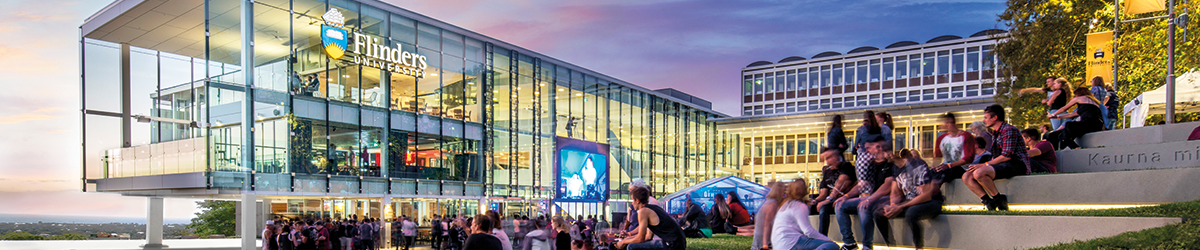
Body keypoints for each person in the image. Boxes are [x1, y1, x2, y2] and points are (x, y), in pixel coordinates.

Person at [964, 104, 1031, 211]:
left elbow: (1007, 156)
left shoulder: (1009, 130)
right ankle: (988, 201)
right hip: (1002, 164)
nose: (984, 120)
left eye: (986, 117)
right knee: (966, 176)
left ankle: (998, 199)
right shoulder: (996, 133)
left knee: (978, 173)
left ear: (995, 117)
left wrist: (984, 165)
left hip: (1016, 165)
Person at [834, 136, 895, 250]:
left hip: (886, 197)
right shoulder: (871, 164)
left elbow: (888, 185)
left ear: (878, 147)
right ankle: (849, 243)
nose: (866, 151)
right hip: (872, 197)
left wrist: (869, 199)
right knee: (840, 205)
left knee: (864, 207)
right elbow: (863, 184)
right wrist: (845, 196)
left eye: (868, 148)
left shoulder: (890, 163)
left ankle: (867, 246)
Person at [878, 149, 944, 250]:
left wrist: (901, 206)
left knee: (911, 213)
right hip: (910, 203)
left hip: (931, 202)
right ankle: (891, 246)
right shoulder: (896, 168)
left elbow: (926, 196)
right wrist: (893, 206)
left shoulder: (919, 165)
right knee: (878, 213)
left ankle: (919, 247)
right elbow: (895, 192)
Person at [773, 179, 838, 250]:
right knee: (832, 245)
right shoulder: (799, 205)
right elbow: (808, 231)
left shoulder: (785, 204)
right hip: (791, 243)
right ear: (804, 190)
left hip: (778, 244)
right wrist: (827, 239)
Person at [616, 186, 687, 250]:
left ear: (637, 200)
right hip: (678, 242)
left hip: (672, 245)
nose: (632, 204)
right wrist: (628, 235)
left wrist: (623, 242)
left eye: (633, 200)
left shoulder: (643, 211)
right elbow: (648, 236)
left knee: (631, 247)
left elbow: (641, 238)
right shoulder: (654, 208)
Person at [811, 147, 856, 236]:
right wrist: (816, 201)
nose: (828, 160)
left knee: (825, 207)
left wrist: (828, 200)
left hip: (843, 198)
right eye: (826, 158)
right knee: (817, 208)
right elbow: (823, 193)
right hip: (830, 200)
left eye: (830, 157)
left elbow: (841, 184)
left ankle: (846, 239)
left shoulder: (846, 166)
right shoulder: (827, 172)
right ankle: (821, 238)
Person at [932, 112, 976, 183]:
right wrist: (934, 167)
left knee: (944, 174)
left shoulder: (966, 136)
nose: (940, 125)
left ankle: (933, 192)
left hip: (962, 168)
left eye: (943, 123)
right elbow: (937, 157)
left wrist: (950, 165)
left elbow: (968, 158)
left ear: (949, 123)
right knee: (931, 174)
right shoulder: (941, 138)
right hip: (946, 168)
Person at [852, 111, 888, 188]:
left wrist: (856, 148)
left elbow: (856, 144)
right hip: (874, 155)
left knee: (863, 183)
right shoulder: (878, 128)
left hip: (863, 155)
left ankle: (864, 199)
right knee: (872, 182)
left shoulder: (862, 129)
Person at [751, 182, 783, 250]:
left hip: (757, 244)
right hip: (763, 245)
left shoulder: (765, 202)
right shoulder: (773, 205)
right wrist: (765, 245)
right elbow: (767, 225)